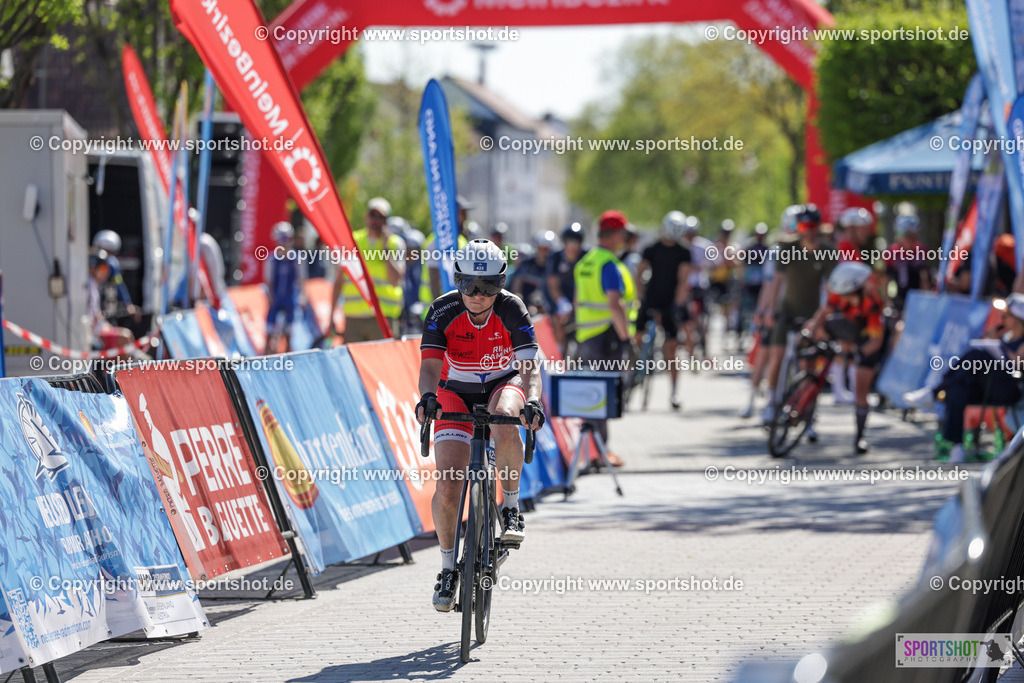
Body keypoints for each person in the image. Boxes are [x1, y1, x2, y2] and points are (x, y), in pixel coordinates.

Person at [415, 239, 544, 612]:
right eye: (469, 284)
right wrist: (426, 398)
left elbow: (529, 369)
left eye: (488, 287)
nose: (477, 295)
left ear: (501, 286)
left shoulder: (512, 309)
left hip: (503, 383)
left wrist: (532, 399)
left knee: (505, 417)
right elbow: (428, 369)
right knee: (450, 483)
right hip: (454, 390)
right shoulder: (443, 309)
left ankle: (512, 506)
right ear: (457, 281)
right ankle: (446, 568)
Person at [904, 293, 1024, 463]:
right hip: (988, 385)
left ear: (1017, 318)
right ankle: (957, 446)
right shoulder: (1006, 337)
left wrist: (999, 346)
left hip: (1008, 389)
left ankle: (934, 391)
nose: (1002, 320)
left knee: (976, 354)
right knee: (958, 389)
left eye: (1006, 316)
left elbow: (1017, 364)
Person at [760, 204, 838, 428]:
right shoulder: (787, 248)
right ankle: (771, 402)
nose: (809, 230)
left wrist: (822, 317)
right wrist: (769, 311)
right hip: (786, 311)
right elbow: (777, 282)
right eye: (804, 225)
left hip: (812, 313)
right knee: (777, 355)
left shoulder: (827, 251)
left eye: (813, 226)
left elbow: (832, 286)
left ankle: (808, 412)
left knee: (809, 366)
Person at [806, 261, 886, 454]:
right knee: (815, 341)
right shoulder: (838, 293)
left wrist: (856, 353)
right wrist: (811, 329)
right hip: (847, 330)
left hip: (866, 339)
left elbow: (876, 341)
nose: (843, 299)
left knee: (861, 387)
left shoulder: (872, 303)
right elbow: (824, 313)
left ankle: (860, 437)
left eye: (848, 296)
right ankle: (806, 413)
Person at [573, 210, 636, 450]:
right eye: (624, 234)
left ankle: (595, 450)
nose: (626, 239)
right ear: (615, 235)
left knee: (592, 393)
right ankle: (601, 452)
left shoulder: (585, 262)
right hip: (607, 337)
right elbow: (615, 304)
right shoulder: (609, 264)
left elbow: (578, 301)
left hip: (586, 337)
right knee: (603, 395)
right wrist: (627, 339)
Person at [636, 211, 692, 410]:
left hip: (670, 303)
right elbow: (640, 271)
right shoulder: (651, 248)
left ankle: (674, 391)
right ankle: (634, 374)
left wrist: (677, 303)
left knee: (671, 348)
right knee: (636, 335)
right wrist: (640, 295)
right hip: (650, 299)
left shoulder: (683, 251)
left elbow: (683, 280)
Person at [331, 197, 405, 342]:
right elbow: (339, 281)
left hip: (383, 318)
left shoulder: (395, 243)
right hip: (354, 319)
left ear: (386, 221)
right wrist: (331, 315)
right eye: (373, 215)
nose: (376, 220)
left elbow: (395, 280)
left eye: (381, 217)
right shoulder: (351, 241)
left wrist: (385, 250)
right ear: (366, 216)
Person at [264, 222, 306, 354]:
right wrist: (270, 296)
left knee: (289, 331)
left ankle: (288, 356)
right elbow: (268, 281)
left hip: (290, 298)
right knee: (269, 330)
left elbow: (301, 280)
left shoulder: (296, 259)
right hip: (276, 298)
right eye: (281, 240)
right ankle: (267, 354)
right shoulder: (272, 259)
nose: (284, 244)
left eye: (286, 239)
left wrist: (302, 296)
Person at [547, 222, 588, 355]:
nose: (573, 250)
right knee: (559, 319)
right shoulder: (556, 257)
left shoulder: (587, 256)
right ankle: (560, 353)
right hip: (561, 295)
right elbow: (553, 284)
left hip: (582, 295)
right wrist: (561, 302)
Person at [88, 250, 135, 351]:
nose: (107, 273)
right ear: (92, 268)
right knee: (124, 337)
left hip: (98, 328)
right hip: (93, 333)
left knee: (128, 335)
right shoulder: (89, 287)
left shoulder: (95, 287)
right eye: (103, 269)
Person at [884, 214, 932, 309]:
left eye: (911, 235)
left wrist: (926, 301)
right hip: (898, 299)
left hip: (917, 298)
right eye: (904, 235)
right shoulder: (892, 252)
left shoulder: (921, 250)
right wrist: (887, 302)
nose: (908, 239)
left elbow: (924, 277)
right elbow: (887, 279)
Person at [681, 216, 713, 359]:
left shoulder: (704, 245)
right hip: (685, 287)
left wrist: (703, 267)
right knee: (688, 321)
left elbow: (715, 263)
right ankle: (691, 351)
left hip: (700, 286)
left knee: (703, 319)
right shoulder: (680, 246)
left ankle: (705, 348)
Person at [510, 230, 555, 314]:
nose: (543, 252)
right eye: (540, 248)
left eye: (546, 249)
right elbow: (517, 286)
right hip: (527, 306)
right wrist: (519, 304)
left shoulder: (554, 266)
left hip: (548, 307)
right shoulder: (526, 264)